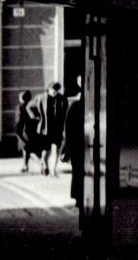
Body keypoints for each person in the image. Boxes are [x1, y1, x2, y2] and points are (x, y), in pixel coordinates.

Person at [65, 77, 85, 209]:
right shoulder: (79, 106)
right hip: (80, 145)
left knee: (77, 171)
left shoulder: (75, 106)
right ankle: (79, 197)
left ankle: (78, 197)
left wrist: (68, 147)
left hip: (76, 145)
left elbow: (68, 128)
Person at [15, 89, 44, 174]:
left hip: (24, 131)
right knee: (28, 149)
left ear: (21, 98)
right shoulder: (33, 106)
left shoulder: (20, 107)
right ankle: (25, 166)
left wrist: (18, 132)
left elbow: (19, 120)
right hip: (34, 131)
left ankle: (41, 163)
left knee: (27, 149)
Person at [43, 81, 68, 176]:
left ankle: (53, 170)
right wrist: (37, 118)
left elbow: (65, 114)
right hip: (46, 129)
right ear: (48, 89)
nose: (55, 91)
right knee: (45, 150)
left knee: (56, 149)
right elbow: (32, 107)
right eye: (53, 89)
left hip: (57, 128)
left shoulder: (62, 99)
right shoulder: (43, 98)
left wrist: (64, 129)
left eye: (57, 90)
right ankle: (45, 165)